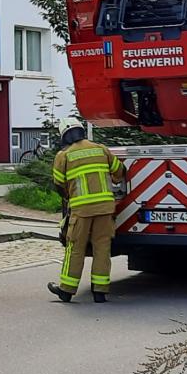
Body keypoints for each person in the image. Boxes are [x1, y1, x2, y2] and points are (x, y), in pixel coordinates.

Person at [47, 117, 125, 304]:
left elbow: (59, 184)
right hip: (105, 209)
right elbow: (120, 172)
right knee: (102, 249)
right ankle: (100, 292)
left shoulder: (64, 156)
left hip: (81, 210)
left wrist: (69, 196)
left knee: (75, 248)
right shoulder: (101, 149)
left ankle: (66, 290)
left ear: (64, 136)